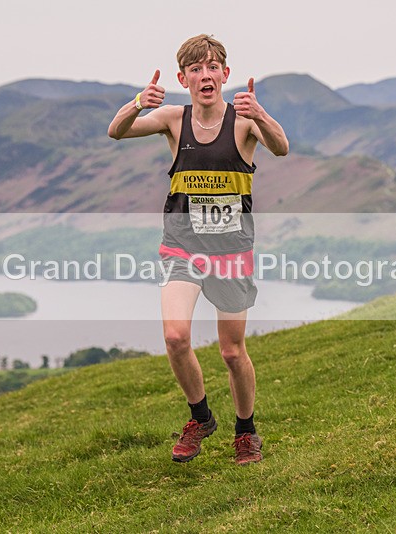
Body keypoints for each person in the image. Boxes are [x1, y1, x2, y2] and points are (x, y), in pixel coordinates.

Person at [108, 35, 288, 464]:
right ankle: (201, 417)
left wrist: (260, 112)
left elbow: (281, 147)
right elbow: (117, 132)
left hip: (231, 252)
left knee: (231, 350)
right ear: (182, 78)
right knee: (175, 336)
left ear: (225, 74)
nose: (205, 75)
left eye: (212, 67)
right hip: (182, 248)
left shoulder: (243, 122)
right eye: (195, 68)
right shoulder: (173, 118)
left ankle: (245, 429)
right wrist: (138, 101)